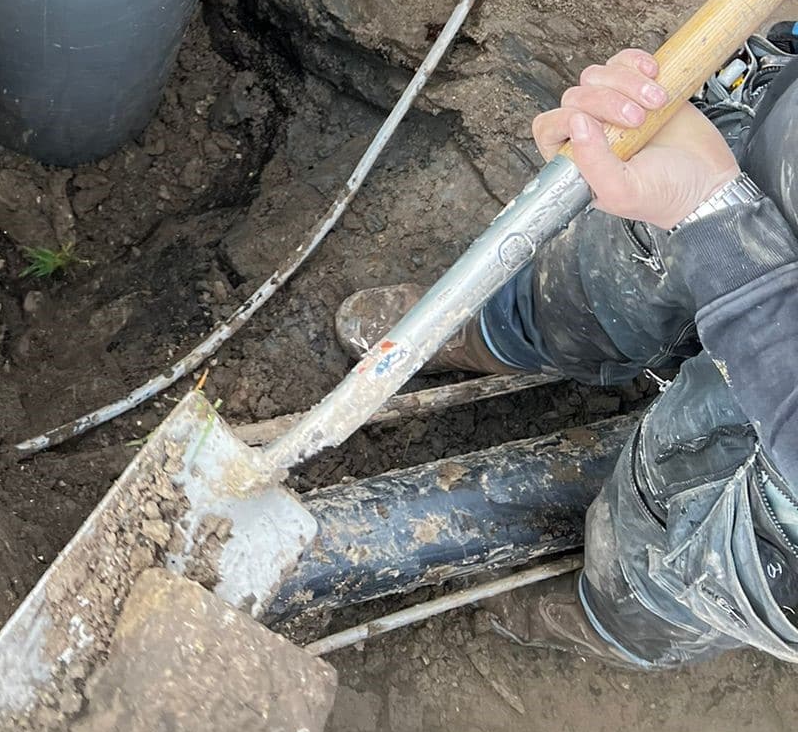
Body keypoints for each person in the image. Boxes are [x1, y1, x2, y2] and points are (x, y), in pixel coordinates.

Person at [335, 37, 798, 667]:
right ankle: (501, 328)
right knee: (621, 263)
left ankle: (609, 616)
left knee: (693, 544)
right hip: (773, 166)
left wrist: (718, 222)